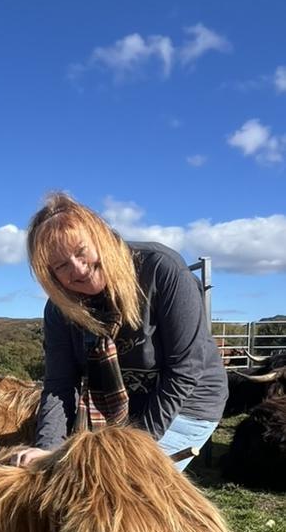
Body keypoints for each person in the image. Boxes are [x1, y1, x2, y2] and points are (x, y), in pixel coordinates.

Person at [12, 192, 228, 471]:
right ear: (50, 275)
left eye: (81, 251)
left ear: (101, 238)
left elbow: (185, 368)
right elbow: (59, 386)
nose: (78, 269)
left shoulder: (160, 269)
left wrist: (136, 447)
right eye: (61, 265)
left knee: (124, 487)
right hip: (120, 413)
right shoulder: (59, 309)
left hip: (187, 404)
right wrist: (46, 449)